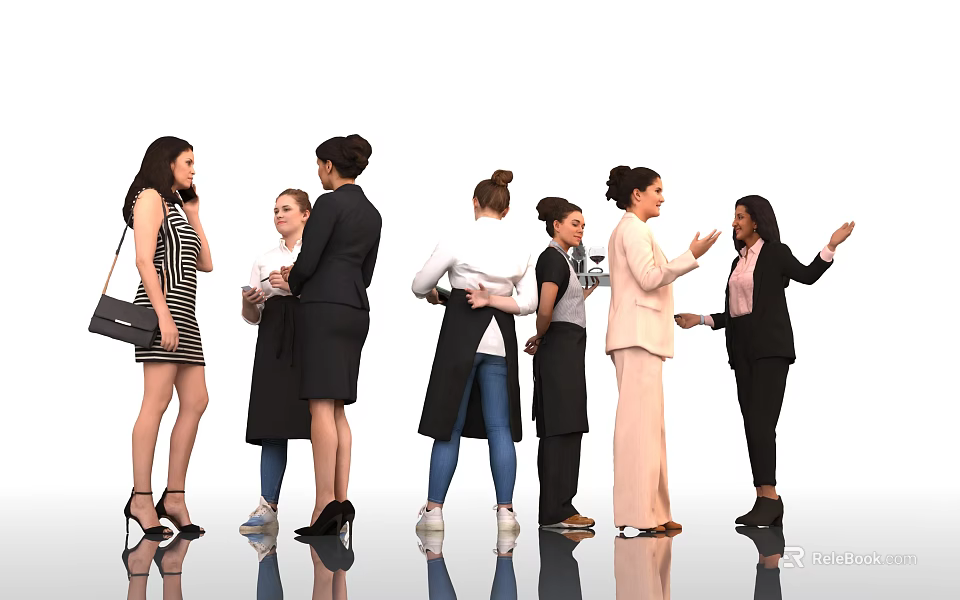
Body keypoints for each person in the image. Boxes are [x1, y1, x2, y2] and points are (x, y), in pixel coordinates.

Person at [674, 195, 855, 526]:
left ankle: (769, 497)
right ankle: (764, 498)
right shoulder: (737, 262)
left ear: (756, 220)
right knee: (752, 425)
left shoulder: (775, 253)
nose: (734, 223)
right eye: (734, 217)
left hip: (771, 350)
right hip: (742, 354)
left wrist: (830, 246)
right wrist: (699, 319)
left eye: (740, 217)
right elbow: (734, 313)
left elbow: (808, 274)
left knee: (761, 423)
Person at [412, 170, 537, 532]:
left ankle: (433, 513)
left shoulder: (457, 237)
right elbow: (527, 302)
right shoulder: (520, 245)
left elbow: (419, 284)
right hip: (500, 339)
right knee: (500, 427)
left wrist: (438, 294)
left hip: (460, 336)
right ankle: (506, 513)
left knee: (448, 425)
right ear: (507, 209)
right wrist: (494, 299)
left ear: (475, 203)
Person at [604, 166, 720, 533]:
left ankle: (654, 511)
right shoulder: (633, 230)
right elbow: (650, 278)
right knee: (638, 429)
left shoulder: (637, 229)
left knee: (650, 428)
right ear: (636, 194)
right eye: (656, 189)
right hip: (636, 336)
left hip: (643, 337)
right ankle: (638, 515)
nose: (662, 197)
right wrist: (691, 255)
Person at [282, 135, 381, 537]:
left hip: (323, 307)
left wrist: (294, 280)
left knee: (320, 406)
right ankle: (341, 500)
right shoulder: (373, 213)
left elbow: (309, 258)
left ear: (327, 166)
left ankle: (324, 503)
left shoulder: (328, 203)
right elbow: (367, 274)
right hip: (356, 309)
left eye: (318, 165)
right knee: (338, 407)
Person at [122, 136, 211, 537]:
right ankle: (141, 497)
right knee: (155, 402)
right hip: (163, 311)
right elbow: (144, 260)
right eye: (188, 162)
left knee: (197, 400)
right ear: (168, 162)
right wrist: (163, 317)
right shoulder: (149, 198)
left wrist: (193, 211)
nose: (193, 170)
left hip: (185, 314)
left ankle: (174, 496)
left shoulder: (176, 205)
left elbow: (206, 264)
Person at [238, 189, 313, 533]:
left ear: (306, 215)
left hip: (313, 336)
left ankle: (328, 507)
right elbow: (251, 316)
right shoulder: (264, 257)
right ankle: (268, 507)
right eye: (275, 210)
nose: (279, 215)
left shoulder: (318, 254)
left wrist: (296, 283)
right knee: (271, 426)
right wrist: (252, 300)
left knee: (321, 422)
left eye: (286, 209)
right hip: (272, 340)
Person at [524, 197, 599, 529]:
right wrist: (539, 336)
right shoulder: (551, 259)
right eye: (575, 223)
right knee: (558, 428)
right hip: (557, 352)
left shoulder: (564, 261)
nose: (581, 229)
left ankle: (563, 507)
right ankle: (555, 511)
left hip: (568, 351)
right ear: (556, 225)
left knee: (570, 425)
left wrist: (585, 293)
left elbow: (563, 302)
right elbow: (545, 308)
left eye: (583, 224)